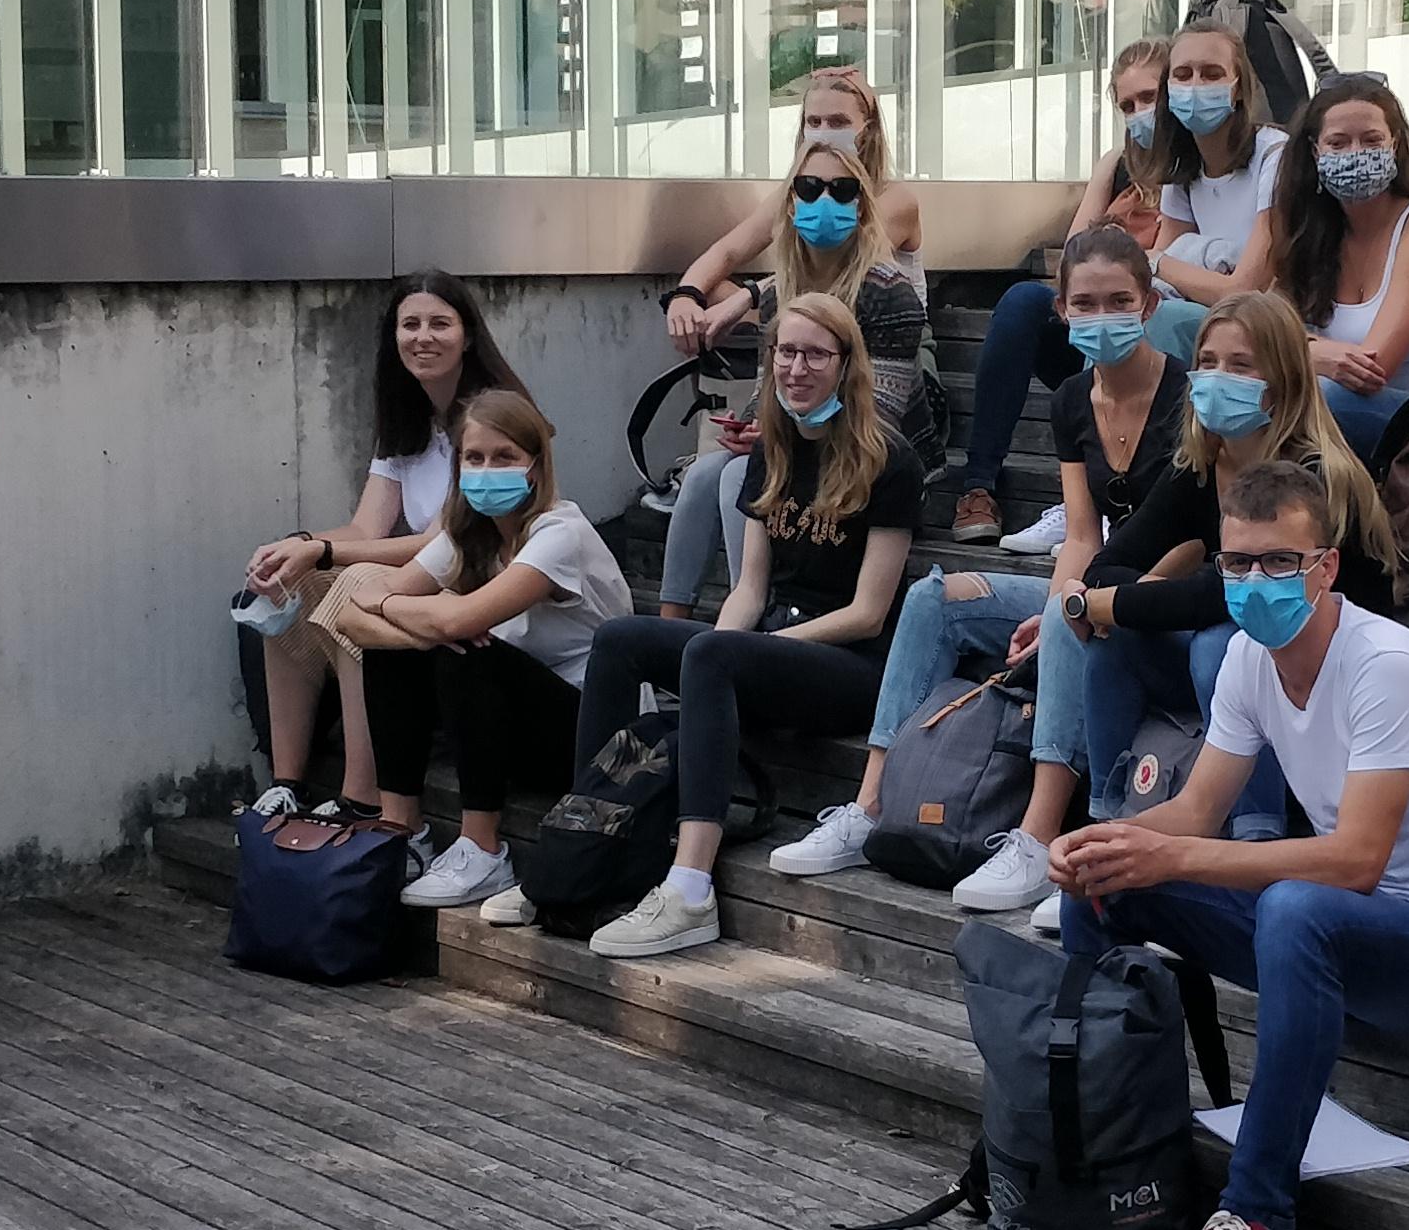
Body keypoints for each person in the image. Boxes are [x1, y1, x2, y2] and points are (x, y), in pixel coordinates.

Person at [1050, 460, 1409, 1230]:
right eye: (1236, 564)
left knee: (1297, 905)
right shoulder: (1249, 662)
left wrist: (1176, 860)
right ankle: (1116, 1150)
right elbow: (1195, 809)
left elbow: (1355, 863)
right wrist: (1103, 839)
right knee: (1102, 880)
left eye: (1277, 563)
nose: (1254, 582)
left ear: (1325, 566)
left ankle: (1259, 1217)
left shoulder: (1388, 662)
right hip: (1340, 938)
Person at [776, 227, 1185, 914]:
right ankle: (871, 804)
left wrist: (1081, 608)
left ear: (1148, 306)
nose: (1101, 316)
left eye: (1119, 300)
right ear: (1061, 311)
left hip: (1164, 590)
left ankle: (1037, 837)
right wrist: (1062, 598)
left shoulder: (1186, 396)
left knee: (1066, 614)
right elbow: (1081, 533)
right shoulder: (1070, 400)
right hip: (1097, 578)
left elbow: (1195, 540)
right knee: (939, 597)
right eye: (1084, 303)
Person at [542, 297, 922, 959]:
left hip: (851, 665)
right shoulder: (766, 458)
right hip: (769, 646)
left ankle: (690, 888)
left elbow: (869, 613)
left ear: (846, 365)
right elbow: (747, 590)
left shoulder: (887, 461)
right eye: (786, 352)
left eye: (815, 355)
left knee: (716, 653)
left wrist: (747, 652)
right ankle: (588, 835)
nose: (797, 368)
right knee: (621, 638)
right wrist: (722, 650)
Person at [1067, 294, 1403, 852]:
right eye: (1208, 362)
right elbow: (1107, 564)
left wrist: (1114, 603)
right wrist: (1114, 601)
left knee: (1222, 646)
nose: (1218, 378)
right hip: (1247, 668)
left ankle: (1254, 835)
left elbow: (1231, 596)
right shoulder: (1202, 463)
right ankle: (1109, 823)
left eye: (1241, 365)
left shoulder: (1317, 476)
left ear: (1283, 378)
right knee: (1113, 646)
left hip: (1330, 678)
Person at [235, 273, 529, 816]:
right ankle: (288, 783)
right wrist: (295, 547)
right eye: (410, 324)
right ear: (392, 337)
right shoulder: (408, 419)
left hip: (481, 583)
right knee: (287, 581)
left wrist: (322, 553)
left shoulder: (493, 417)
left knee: (352, 582)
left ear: (468, 335)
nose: (424, 337)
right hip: (428, 572)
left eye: (440, 323)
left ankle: (362, 794)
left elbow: (448, 541)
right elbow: (367, 528)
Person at [338, 390, 632, 913]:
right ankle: (401, 829)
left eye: (504, 458)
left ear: (535, 468)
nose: (486, 470)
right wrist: (404, 613)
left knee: (467, 649)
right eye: (474, 458)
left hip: (597, 738)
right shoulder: (466, 536)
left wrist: (391, 603)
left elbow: (455, 620)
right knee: (399, 647)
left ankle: (483, 848)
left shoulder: (559, 533)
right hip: (511, 726)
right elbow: (350, 616)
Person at [653, 77, 936, 615]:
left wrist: (747, 298)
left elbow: (847, 271)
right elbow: (733, 250)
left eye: (839, 122)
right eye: (815, 121)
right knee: (705, 475)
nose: (821, 201)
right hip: (807, 412)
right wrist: (687, 296)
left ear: (868, 128)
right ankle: (673, 630)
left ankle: (754, 614)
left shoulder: (887, 218)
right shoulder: (793, 213)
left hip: (880, 408)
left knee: (741, 473)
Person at [950, 39, 1175, 542]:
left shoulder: (1197, 173)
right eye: (1127, 105)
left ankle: (1093, 502)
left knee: (1128, 309)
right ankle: (978, 486)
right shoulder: (1117, 165)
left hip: (1156, 331)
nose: (1140, 114)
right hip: (1100, 327)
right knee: (1025, 302)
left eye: (1150, 98)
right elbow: (1073, 258)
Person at [1245, 71, 1409, 458]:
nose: (1355, 154)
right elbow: (1261, 328)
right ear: (1315, 152)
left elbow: (1371, 370)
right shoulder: (1314, 233)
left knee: (1306, 401)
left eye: (1371, 140)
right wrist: (1316, 353)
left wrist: (1302, 351)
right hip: (1356, 410)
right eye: (1338, 143)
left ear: (1395, 145)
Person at [1137, 20, 1296, 315]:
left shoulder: (1275, 154)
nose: (1195, 85)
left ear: (1238, 88)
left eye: (1212, 74)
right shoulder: (1182, 168)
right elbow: (1155, 278)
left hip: (1267, 319)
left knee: (1164, 316)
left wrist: (1158, 260)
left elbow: (1246, 289)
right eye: (1183, 75)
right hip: (1212, 314)